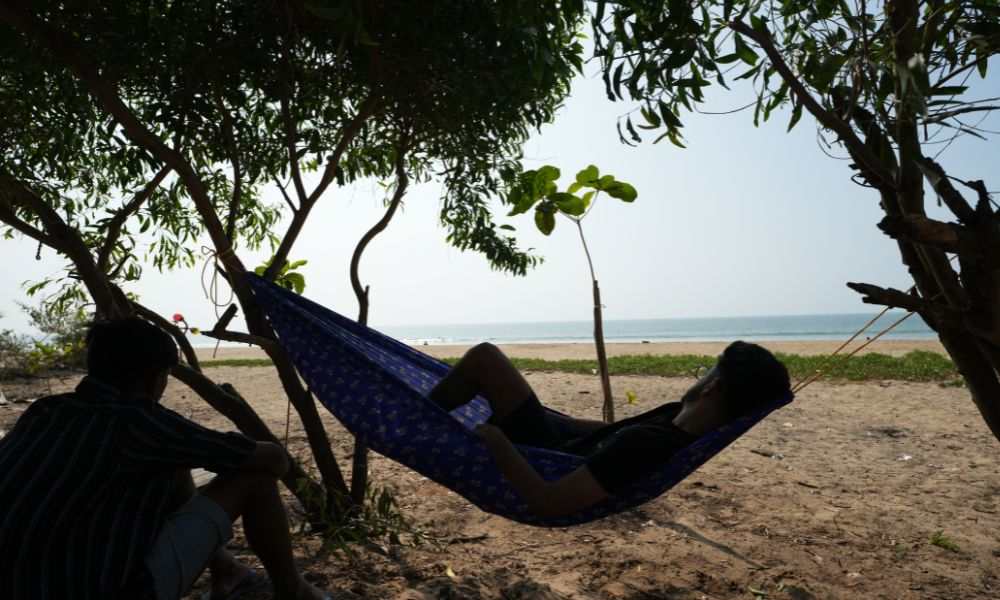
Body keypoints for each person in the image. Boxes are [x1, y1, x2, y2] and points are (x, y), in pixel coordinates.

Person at [0, 317, 330, 600]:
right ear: (156, 377)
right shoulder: (140, 423)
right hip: (97, 588)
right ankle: (293, 591)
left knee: (172, 461)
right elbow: (273, 460)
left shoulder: (45, 411)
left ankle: (226, 569)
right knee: (255, 479)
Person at [430, 341, 790, 519]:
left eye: (708, 371)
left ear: (713, 387)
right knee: (487, 360)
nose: (703, 377)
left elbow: (548, 502)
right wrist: (568, 422)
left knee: (485, 359)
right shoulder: (674, 422)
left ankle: (422, 418)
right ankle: (423, 411)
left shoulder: (645, 447)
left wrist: (496, 440)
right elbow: (613, 433)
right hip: (562, 442)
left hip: (543, 461)